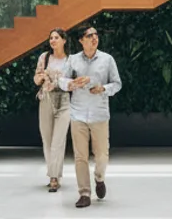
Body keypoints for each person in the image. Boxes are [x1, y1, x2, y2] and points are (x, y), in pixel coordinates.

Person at [58, 26, 122, 209]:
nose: (94, 38)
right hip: (77, 113)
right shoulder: (73, 60)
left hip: (99, 113)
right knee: (80, 156)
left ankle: (99, 178)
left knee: (102, 155)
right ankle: (84, 193)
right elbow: (62, 80)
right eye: (89, 35)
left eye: (96, 35)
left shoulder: (107, 59)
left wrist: (103, 89)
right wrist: (70, 84)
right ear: (81, 40)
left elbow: (117, 84)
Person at [34, 28, 72, 193]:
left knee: (58, 140)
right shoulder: (44, 57)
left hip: (64, 100)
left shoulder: (71, 60)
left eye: (56, 37)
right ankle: (53, 173)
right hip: (46, 99)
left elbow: (73, 82)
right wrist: (41, 77)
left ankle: (54, 177)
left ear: (64, 40)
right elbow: (36, 79)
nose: (53, 40)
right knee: (47, 139)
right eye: (51, 38)